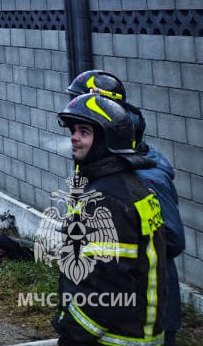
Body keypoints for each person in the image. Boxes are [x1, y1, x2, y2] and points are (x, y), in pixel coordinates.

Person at [67, 70, 184, 345]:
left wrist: (122, 248)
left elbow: (173, 239)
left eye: (84, 127)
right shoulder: (102, 165)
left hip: (146, 312)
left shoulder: (143, 179)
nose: (75, 135)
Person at [53, 92, 165, 345]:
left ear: (107, 140)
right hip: (137, 332)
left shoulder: (107, 199)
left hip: (112, 337)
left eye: (84, 131)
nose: (74, 137)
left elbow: (107, 287)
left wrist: (74, 335)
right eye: (73, 130)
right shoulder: (131, 187)